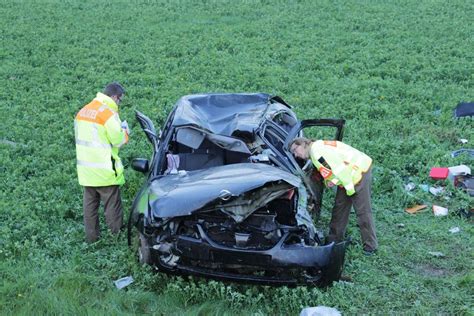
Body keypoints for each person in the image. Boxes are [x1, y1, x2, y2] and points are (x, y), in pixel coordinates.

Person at [290, 137, 378, 255]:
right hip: (347, 177)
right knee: (339, 208)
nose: (296, 155)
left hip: (358, 173)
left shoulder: (317, 152)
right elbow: (330, 170)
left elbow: (340, 169)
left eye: (295, 150)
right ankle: (334, 240)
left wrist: (350, 189)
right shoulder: (316, 149)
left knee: (362, 211)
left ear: (302, 144)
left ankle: (370, 246)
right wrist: (330, 182)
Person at [74, 82, 130, 243]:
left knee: (90, 207)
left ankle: (92, 239)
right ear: (114, 96)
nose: (119, 103)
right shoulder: (107, 114)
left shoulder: (84, 111)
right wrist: (125, 131)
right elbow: (117, 140)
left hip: (86, 170)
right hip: (104, 170)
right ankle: (117, 236)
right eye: (120, 99)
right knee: (112, 205)